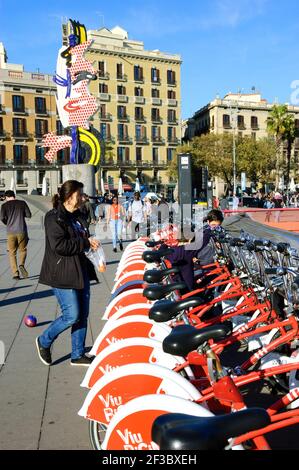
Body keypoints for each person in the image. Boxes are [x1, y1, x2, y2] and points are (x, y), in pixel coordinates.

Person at [36, 180, 99, 367]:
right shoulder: (54, 217)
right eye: (79, 194)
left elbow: (82, 238)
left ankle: (77, 354)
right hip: (62, 272)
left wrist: (91, 243)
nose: (82, 198)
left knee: (83, 314)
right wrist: (85, 243)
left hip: (81, 270)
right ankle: (44, 340)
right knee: (71, 315)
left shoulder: (78, 216)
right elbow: (60, 246)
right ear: (69, 196)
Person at [166, 209, 224, 292]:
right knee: (193, 286)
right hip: (194, 260)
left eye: (218, 226)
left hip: (201, 260)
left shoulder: (216, 231)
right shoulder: (205, 232)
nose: (215, 228)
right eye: (213, 225)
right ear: (208, 222)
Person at [0, 190, 31, 279]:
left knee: (12, 253)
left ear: (6, 197)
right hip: (22, 230)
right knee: (23, 250)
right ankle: (21, 264)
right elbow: (29, 215)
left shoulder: (4, 205)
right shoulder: (22, 203)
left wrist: (8, 223)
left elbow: (2, 218)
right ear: (14, 196)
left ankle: (15, 274)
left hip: (10, 232)